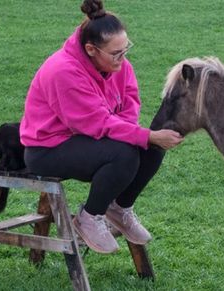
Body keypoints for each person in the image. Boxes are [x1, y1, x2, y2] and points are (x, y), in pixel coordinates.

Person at [19, 0, 184, 254]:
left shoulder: (118, 65)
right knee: (126, 153)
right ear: (91, 49)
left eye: (125, 49)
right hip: (47, 149)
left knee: (151, 149)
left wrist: (140, 136)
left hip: (87, 140)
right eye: (116, 53)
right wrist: (145, 135)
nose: (123, 58)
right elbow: (97, 123)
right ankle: (89, 216)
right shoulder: (63, 71)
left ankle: (119, 208)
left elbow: (130, 101)